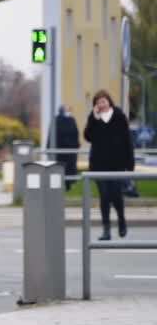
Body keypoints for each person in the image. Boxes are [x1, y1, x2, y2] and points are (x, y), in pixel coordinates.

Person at [83, 90, 135, 240]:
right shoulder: (94, 118)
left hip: (117, 164)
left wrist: (129, 166)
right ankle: (106, 229)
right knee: (104, 196)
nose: (101, 104)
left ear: (109, 101)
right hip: (99, 165)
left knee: (116, 195)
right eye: (98, 102)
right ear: (95, 105)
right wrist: (94, 118)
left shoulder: (119, 116)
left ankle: (121, 220)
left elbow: (127, 141)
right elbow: (88, 137)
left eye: (103, 101)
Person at [54, 105, 81, 186]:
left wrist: (76, 146)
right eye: (66, 110)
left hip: (70, 152)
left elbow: (76, 133)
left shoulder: (72, 120)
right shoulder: (57, 120)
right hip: (60, 152)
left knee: (69, 171)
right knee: (61, 171)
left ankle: (68, 184)